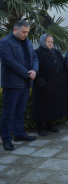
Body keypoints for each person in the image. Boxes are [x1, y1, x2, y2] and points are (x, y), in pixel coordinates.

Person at [0, 20, 38, 151]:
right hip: (12, 83)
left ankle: (19, 134)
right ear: (15, 30)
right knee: (8, 112)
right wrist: (28, 73)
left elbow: (34, 57)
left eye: (27, 32)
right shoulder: (5, 42)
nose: (26, 35)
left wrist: (34, 70)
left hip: (26, 82)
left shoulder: (27, 41)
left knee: (20, 111)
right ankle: (6, 139)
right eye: (23, 32)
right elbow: (10, 62)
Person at [32, 34, 67, 136]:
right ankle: (40, 127)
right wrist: (39, 79)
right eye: (48, 42)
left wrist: (63, 78)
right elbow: (35, 67)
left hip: (56, 84)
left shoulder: (56, 52)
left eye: (52, 42)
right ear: (43, 42)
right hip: (43, 85)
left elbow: (63, 66)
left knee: (53, 106)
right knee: (43, 107)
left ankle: (49, 124)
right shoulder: (37, 53)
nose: (51, 44)